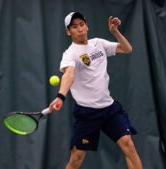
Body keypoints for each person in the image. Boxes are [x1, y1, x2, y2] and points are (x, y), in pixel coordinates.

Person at [49, 12, 143, 169]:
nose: (79, 29)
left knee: (128, 144)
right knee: (76, 158)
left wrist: (115, 32)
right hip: (87, 114)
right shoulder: (70, 54)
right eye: (74, 26)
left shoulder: (98, 43)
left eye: (81, 24)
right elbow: (69, 75)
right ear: (68, 31)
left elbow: (127, 49)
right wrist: (60, 96)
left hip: (109, 109)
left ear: (86, 25)